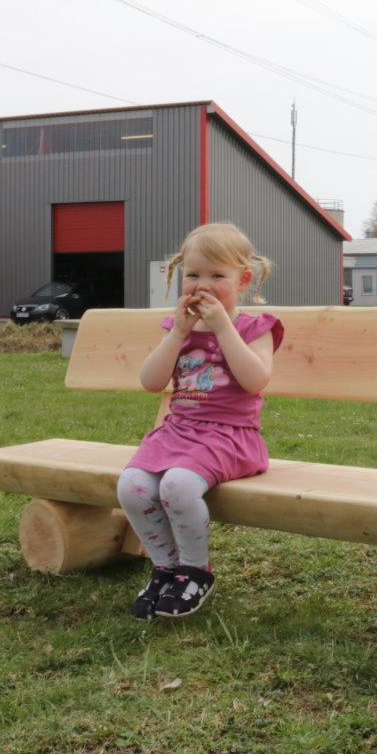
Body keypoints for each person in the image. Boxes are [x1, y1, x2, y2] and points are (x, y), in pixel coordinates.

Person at [115, 223, 282, 619]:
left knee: (177, 484)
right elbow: (151, 382)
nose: (202, 285)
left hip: (231, 437)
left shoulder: (253, 328)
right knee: (132, 486)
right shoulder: (178, 329)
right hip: (177, 434)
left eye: (216, 276)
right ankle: (166, 568)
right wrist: (177, 335)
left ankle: (196, 570)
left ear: (242, 281)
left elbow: (255, 379)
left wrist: (224, 328)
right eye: (193, 275)